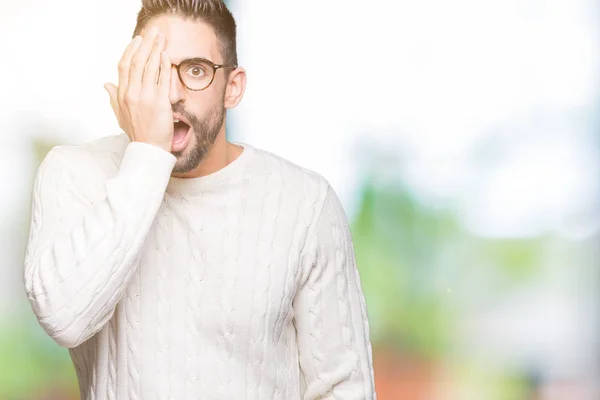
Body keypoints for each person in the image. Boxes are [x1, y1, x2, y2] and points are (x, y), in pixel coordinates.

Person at [23, 0, 376, 398]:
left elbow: (344, 386)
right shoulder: (74, 173)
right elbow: (64, 318)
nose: (171, 94)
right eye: (154, 70)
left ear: (233, 87)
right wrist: (147, 156)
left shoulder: (305, 204)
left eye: (196, 71)